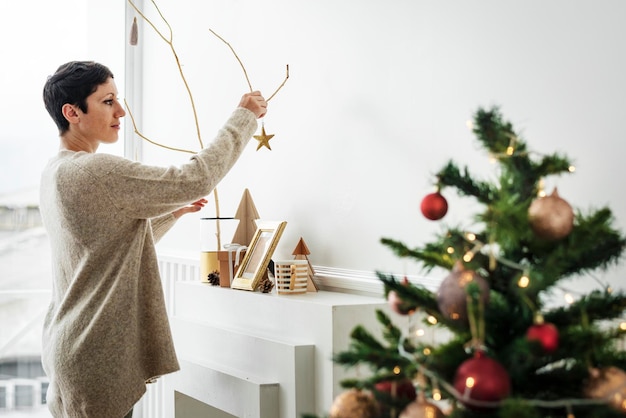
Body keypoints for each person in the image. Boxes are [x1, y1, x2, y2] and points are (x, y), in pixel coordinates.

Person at [39, 61, 267, 418]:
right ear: (72, 112)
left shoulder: (56, 172)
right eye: (108, 101)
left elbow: (105, 245)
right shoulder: (93, 171)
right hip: (95, 356)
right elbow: (195, 178)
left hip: (70, 349)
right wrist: (243, 117)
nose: (121, 111)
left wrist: (170, 213)